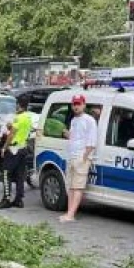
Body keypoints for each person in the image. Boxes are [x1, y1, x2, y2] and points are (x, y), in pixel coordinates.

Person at [59, 94, 97, 223]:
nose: (76, 106)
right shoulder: (74, 120)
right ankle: (69, 212)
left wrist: (84, 157)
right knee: (70, 186)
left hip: (81, 157)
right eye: (74, 104)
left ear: (84, 105)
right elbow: (75, 137)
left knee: (77, 187)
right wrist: (68, 134)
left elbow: (91, 142)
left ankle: (71, 214)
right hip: (71, 156)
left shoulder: (89, 120)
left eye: (78, 104)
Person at [0, 94, 34, 209]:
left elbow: (12, 134)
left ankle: (6, 199)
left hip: (13, 149)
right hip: (23, 149)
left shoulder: (19, 118)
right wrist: (11, 127)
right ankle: (19, 199)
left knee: (6, 173)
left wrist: (4, 147)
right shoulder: (28, 117)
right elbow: (18, 130)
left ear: (18, 105)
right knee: (19, 175)